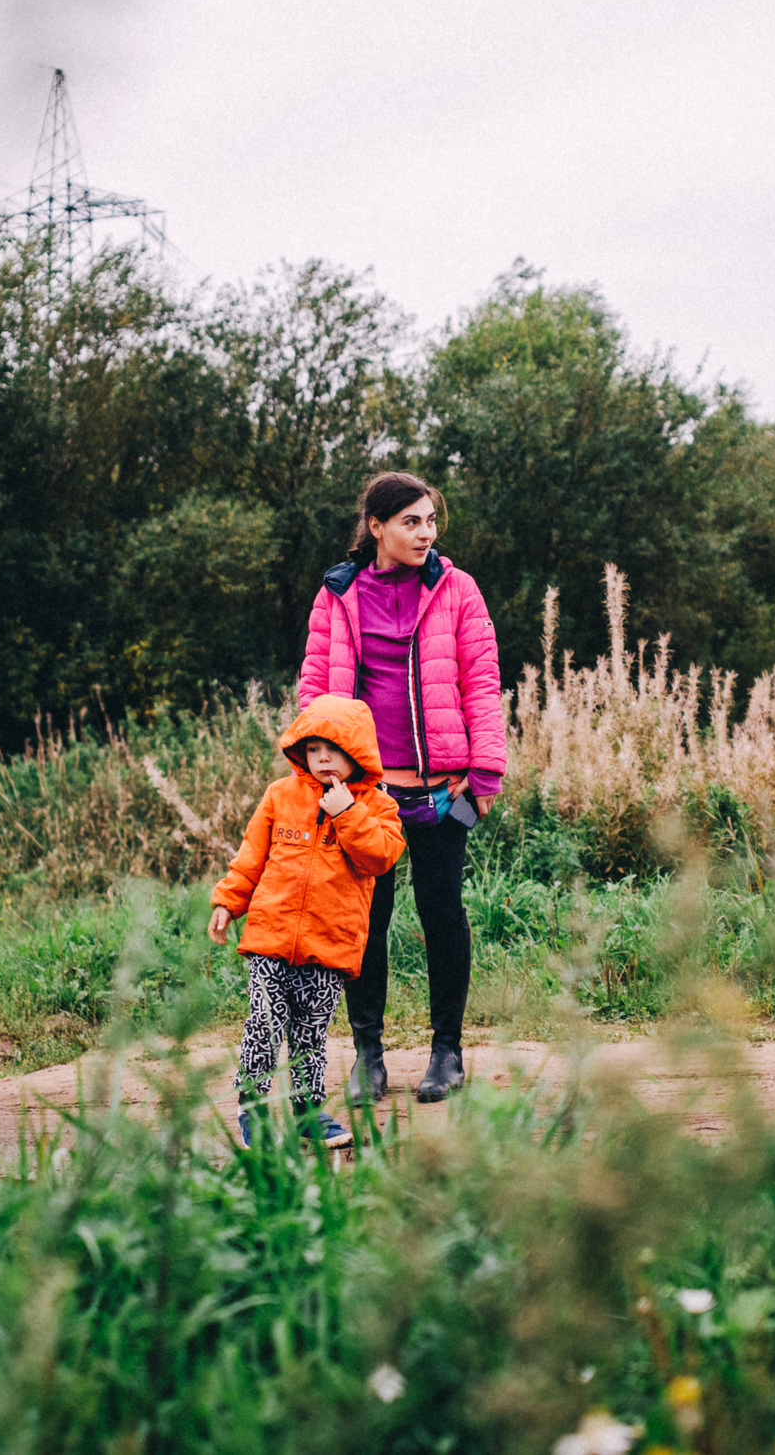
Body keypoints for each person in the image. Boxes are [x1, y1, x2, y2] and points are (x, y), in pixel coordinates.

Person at [299, 471, 506, 1105]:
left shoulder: (457, 589)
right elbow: (314, 688)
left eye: (431, 521)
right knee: (365, 922)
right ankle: (369, 1057)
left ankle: (447, 1053)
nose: (425, 533)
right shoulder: (337, 595)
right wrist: (318, 769)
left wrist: (487, 770)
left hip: (442, 790)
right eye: (411, 521)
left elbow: (482, 681)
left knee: (442, 915)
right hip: (364, 795)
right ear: (377, 527)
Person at [207, 693, 405, 1148]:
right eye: (313, 750)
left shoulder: (377, 807)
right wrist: (228, 901)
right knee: (265, 1021)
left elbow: (380, 857)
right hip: (271, 938)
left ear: (356, 754)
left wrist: (347, 813)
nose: (322, 759)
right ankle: (252, 1109)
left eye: (333, 750)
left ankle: (307, 1112)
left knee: (309, 1035)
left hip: (329, 945)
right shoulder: (281, 795)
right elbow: (250, 857)